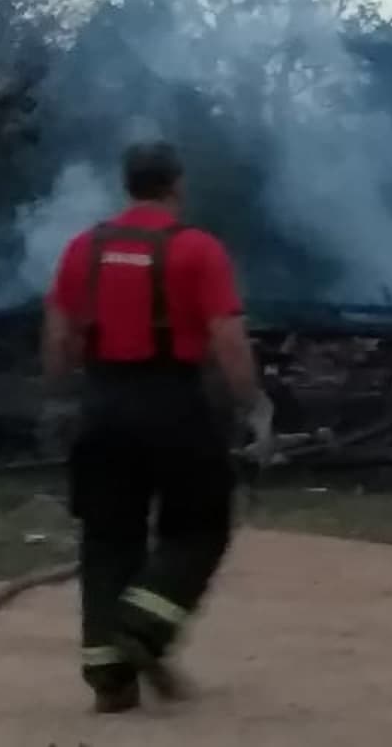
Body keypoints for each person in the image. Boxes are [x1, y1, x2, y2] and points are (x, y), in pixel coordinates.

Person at [41, 141, 274, 713]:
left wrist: (62, 399)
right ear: (176, 183)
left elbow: (59, 338)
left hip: (102, 405)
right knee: (199, 526)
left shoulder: (83, 250)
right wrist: (253, 405)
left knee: (107, 538)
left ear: (127, 184)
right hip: (172, 404)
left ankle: (109, 680)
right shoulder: (197, 250)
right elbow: (227, 341)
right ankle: (142, 627)